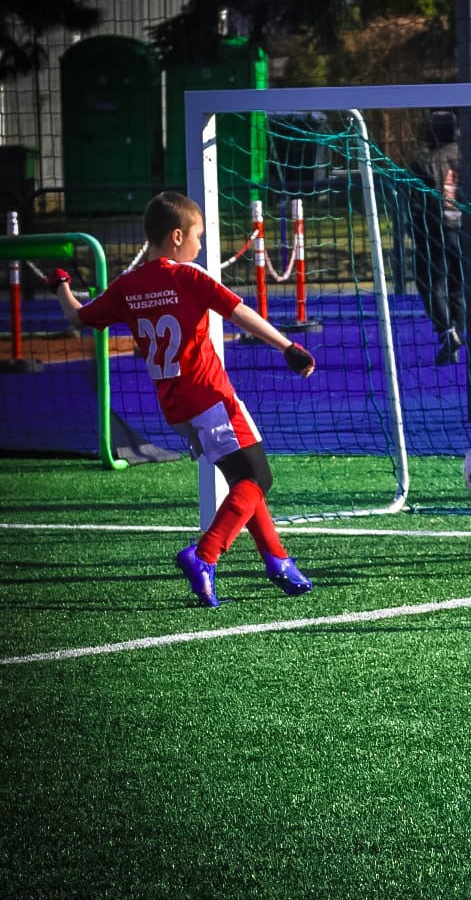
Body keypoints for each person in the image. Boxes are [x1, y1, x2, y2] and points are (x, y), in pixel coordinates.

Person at [47, 191, 316, 609]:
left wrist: (61, 285)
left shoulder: (127, 286)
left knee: (242, 479)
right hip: (211, 397)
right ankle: (205, 555)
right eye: (198, 236)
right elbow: (238, 311)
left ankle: (278, 560)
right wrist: (287, 346)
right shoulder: (189, 276)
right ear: (177, 236)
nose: (200, 245)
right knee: (258, 479)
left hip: (176, 407)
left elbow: (76, 317)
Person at [407, 109, 469, 365]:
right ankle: (456, 335)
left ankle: (447, 332)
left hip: (433, 229)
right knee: (457, 287)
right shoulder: (466, 155)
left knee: (432, 284)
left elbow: (415, 198)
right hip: (462, 229)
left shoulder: (423, 159)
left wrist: (413, 227)